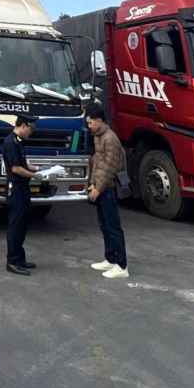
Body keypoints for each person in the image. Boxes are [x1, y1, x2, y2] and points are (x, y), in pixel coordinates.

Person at [86, 105, 129, 279]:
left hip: (108, 188)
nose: (88, 126)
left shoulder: (110, 139)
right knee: (104, 225)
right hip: (100, 186)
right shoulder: (98, 136)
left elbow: (110, 167)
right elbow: (96, 163)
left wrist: (98, 187)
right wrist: (91, 183)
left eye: (90, 122)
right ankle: (110, 258)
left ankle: (122, 265)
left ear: (99, 121)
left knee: (113, 227)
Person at [3, 113, 41, 276]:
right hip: (16, 187)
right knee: (16, 225)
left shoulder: (19, 142)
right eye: (31, 128)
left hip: (23, 187)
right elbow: (16, 168)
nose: (32, 132)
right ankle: (12, 261)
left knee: (23, 223)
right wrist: (35, 176)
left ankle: (20, 258)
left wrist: (40, 169)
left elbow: (24, 164)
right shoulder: (11, 142)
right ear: (23, 125)